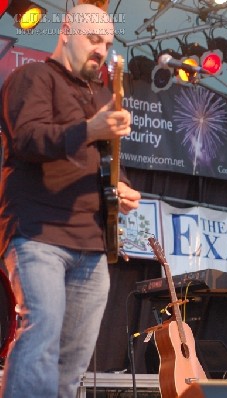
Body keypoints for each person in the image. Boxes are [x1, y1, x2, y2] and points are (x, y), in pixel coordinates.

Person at [0, 4, 141, 397]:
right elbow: (28, 140)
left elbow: (104, 159)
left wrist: (123, 186)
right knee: (41, 329)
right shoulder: (32, 77)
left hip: (91, 243)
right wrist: (91, 127)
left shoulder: (99, 94)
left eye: (108, 44)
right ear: (66, 32)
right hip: (38, 233)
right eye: (93, 40)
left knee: (73, 358)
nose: (101, 50)